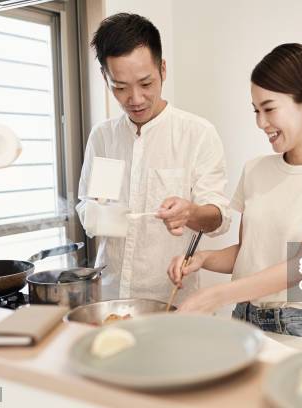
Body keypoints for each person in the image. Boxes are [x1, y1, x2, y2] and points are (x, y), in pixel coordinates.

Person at [167, 43, 302, 341]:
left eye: (269, 108)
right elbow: (248, 253)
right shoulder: (255, 170)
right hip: (243, 319)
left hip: (300, 326)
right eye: (256, 111)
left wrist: (216, 296)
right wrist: (204, 258)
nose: (261, 123)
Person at [76, 13, 230, 302]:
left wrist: (191, 213)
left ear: (163, 69)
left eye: (146, 83)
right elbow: (87, 207)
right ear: (104, 77)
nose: (134, 98)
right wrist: (102, 212)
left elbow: (220, 218)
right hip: (109, 296)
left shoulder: (197, 133)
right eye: (119, 87)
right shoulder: (102, 137)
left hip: (171, 299)